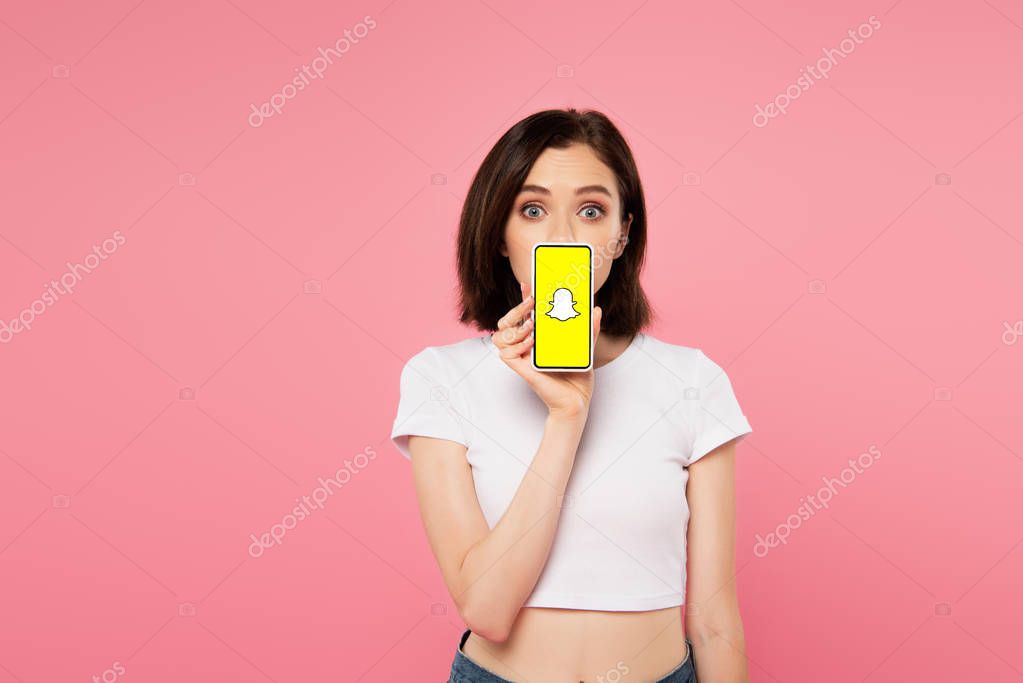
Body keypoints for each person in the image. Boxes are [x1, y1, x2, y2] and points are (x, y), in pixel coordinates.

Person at [390, 108, 753, 682]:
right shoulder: (440, 379)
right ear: (500, 236)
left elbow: (714, 621)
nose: (562, 236)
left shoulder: (693, 381)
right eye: (532, 210)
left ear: (622, 233)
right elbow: (487, 611)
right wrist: (567, 414)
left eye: (591, 210)